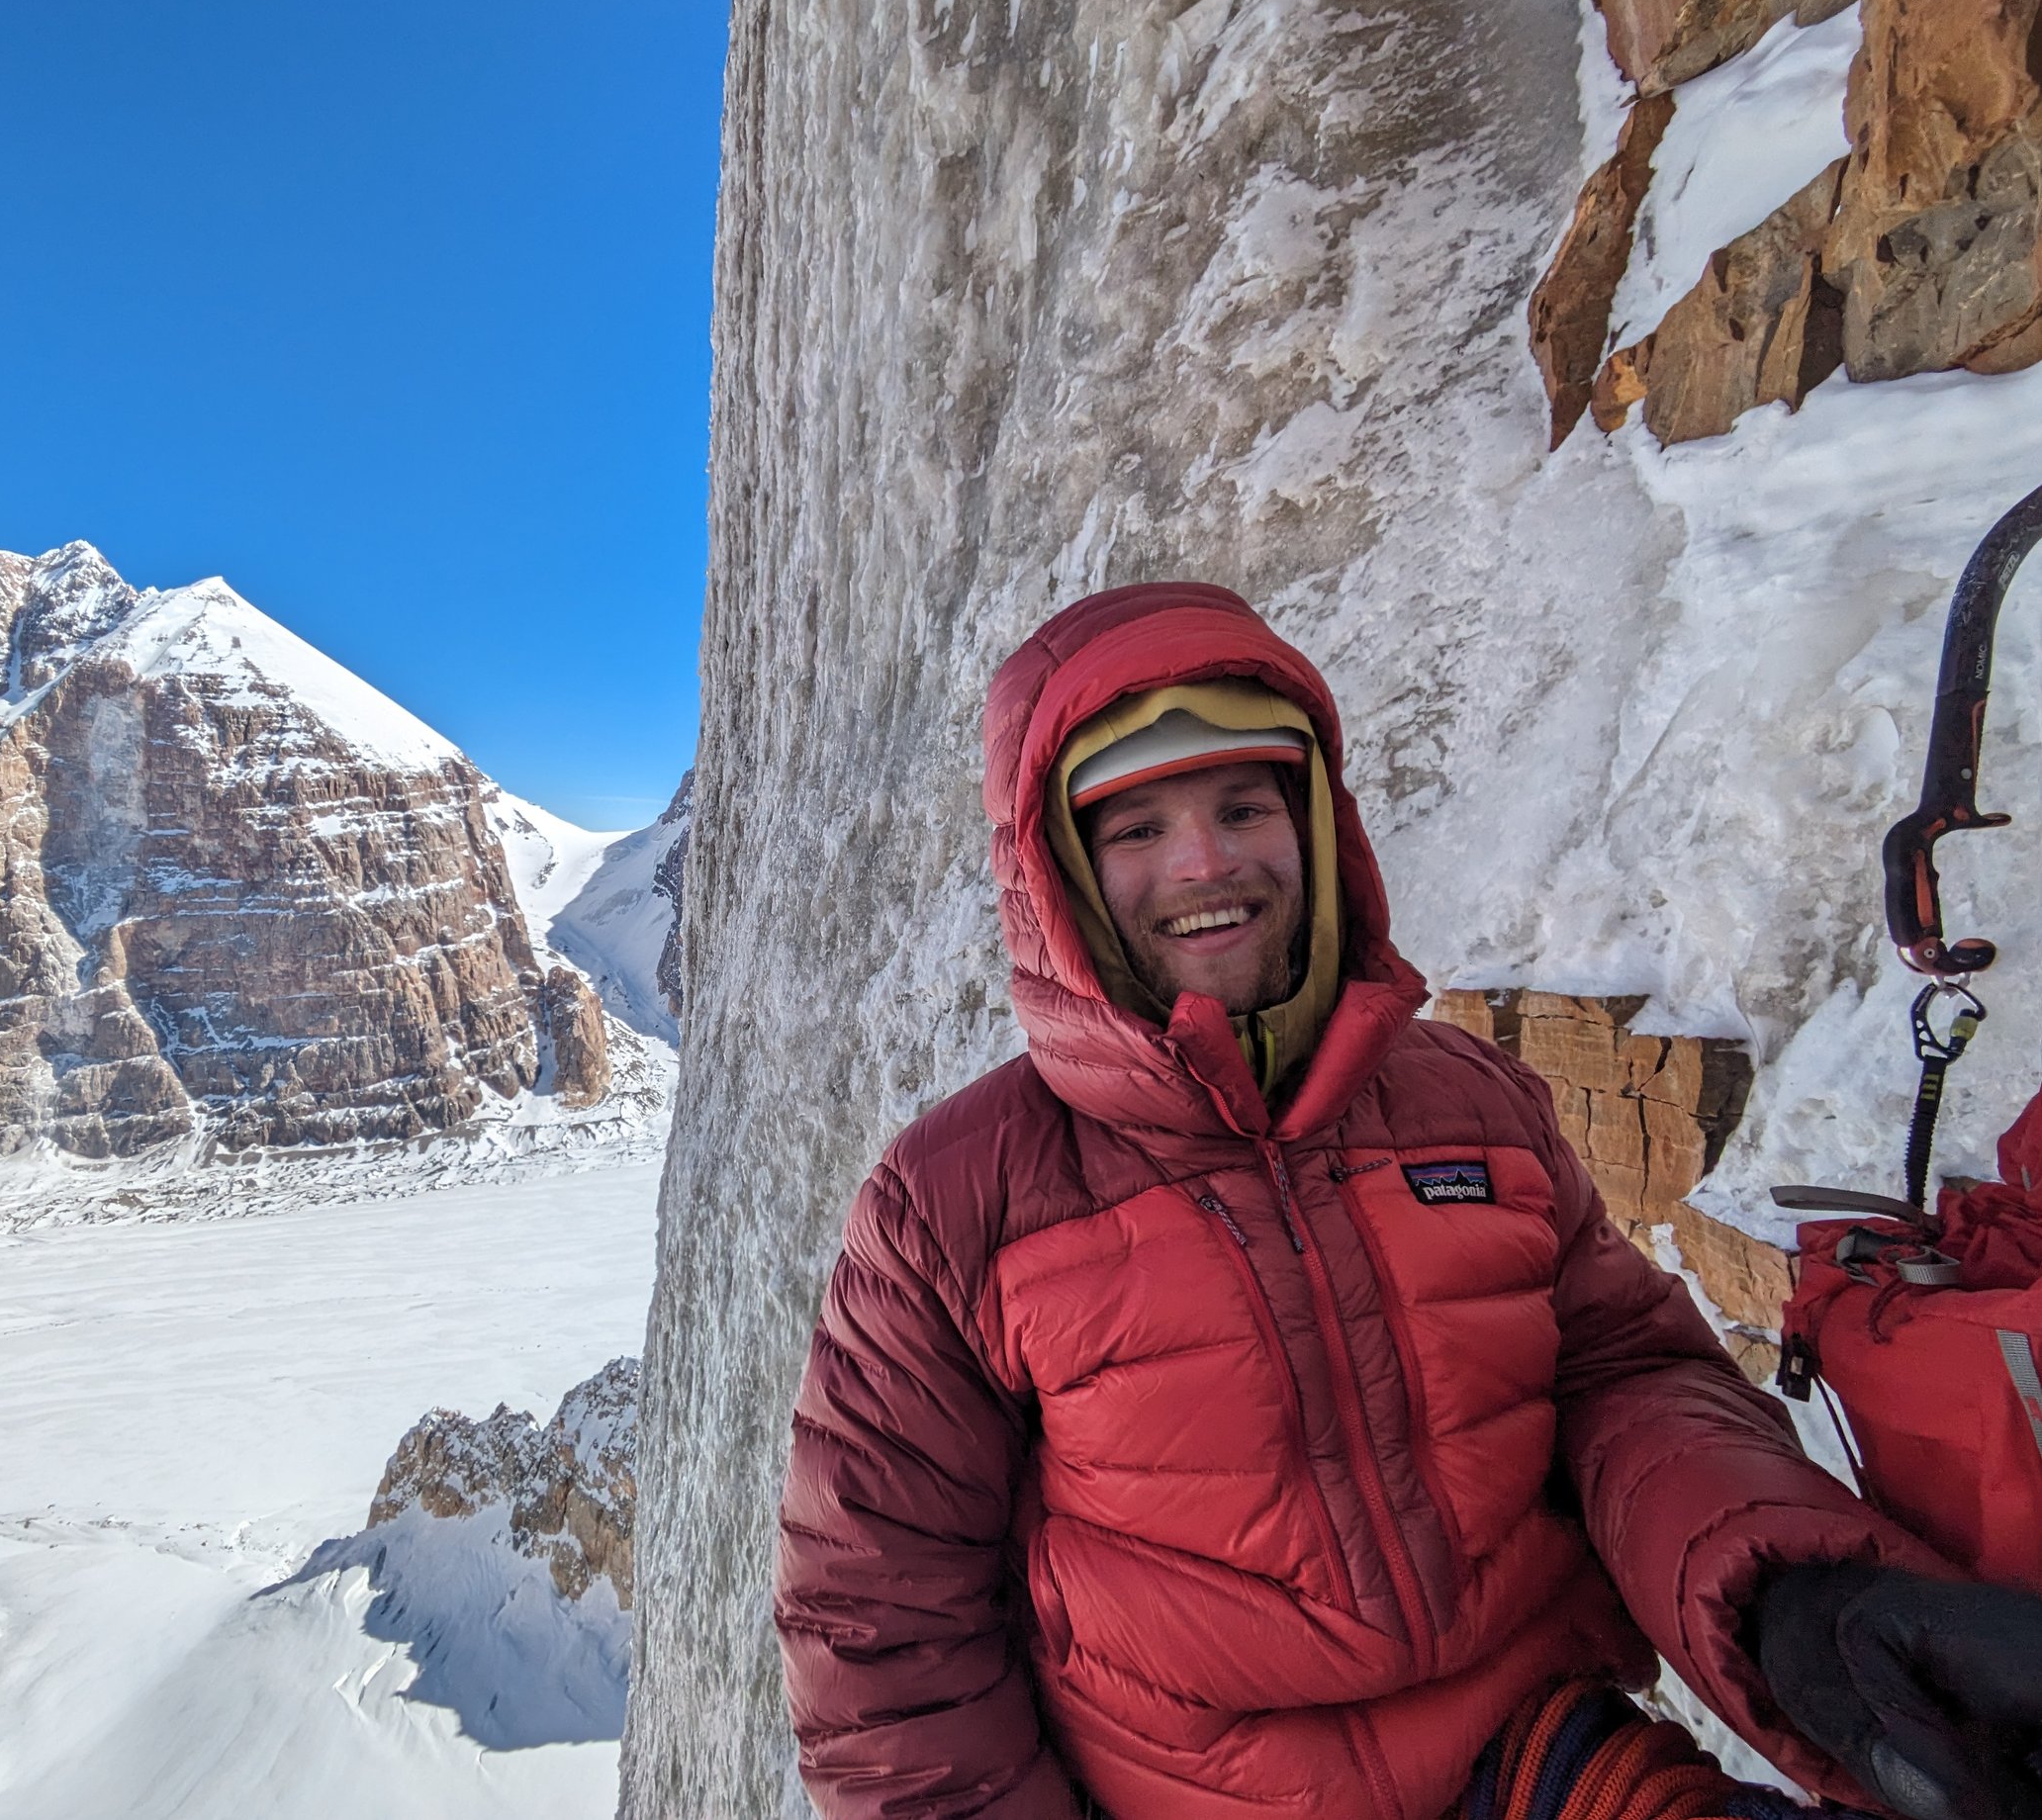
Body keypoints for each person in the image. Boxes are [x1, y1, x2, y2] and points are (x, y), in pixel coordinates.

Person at [772, 584, 2042, 1820]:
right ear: (1058, 870)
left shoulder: (1473, 1108)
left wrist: (1795, 1598)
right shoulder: (951, 1204)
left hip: (1540, 1756)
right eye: (1134, 826)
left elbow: (1623, 1382)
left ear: (1316, 822)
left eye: (1241, 802)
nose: (1204, 863)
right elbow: (879, 1620)